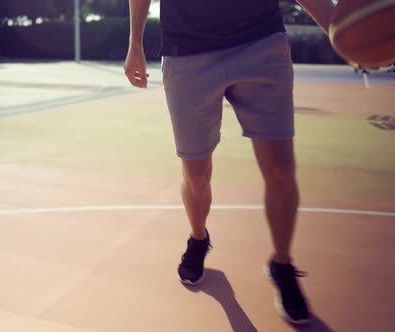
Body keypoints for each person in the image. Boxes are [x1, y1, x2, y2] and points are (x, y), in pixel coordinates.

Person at [123, 0, 336, 325]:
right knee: (196, 175)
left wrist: (339, 28)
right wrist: (135, 43)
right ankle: (198, 238)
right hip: (187, 52)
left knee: (281, 170)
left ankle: (281, 263)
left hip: (260, 43)